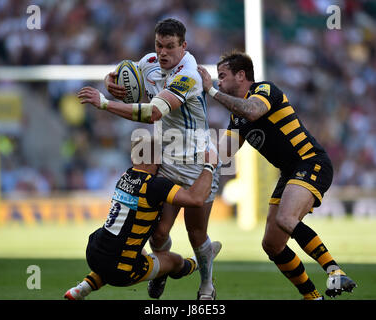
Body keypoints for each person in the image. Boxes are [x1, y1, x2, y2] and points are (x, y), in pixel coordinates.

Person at [77, 18, 221, 300]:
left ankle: (206, 285)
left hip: (197, 162)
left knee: (195, 233)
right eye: (159, 45)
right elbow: (125, 71)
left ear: (184, 47)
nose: (163, 52)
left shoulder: (188, 76)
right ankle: (161, 270)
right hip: (166, 162)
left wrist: (104, 103)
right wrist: (112, 78)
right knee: (158, 234)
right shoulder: (151, 61)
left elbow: (153, 113)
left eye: (170, 47)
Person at [197, 52, 357, 300]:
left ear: (241, 75)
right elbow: (221, 153)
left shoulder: (264, 90)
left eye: (222, 76)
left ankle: (335, 271)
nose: (218, 82)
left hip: (310, 161)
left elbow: (253, 111)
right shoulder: (237, 118)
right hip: (289, 172)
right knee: (272, 244)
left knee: (285, 218)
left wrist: (211, 92)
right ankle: (314, 297)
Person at [64, 137, 221, 300]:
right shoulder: (154, 185)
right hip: (121, 268)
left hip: (94, 251)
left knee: (123, 250)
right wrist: (209, 166)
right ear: (157, 160)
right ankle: (195, 263)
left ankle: (83, 287)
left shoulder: (125, 175)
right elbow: (195, 199)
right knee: (174, 262)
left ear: (134, 158)